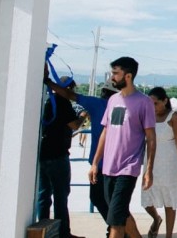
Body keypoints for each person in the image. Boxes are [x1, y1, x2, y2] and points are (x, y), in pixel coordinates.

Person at [45, 75, 142, 238]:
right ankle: (118, 230)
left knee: (104, 201)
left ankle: (122, 231)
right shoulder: (121, 107)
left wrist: (48, 82)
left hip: (103, 165)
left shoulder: (96, 104)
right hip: (116, 163)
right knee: (110, 202)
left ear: (104, 91)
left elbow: (69, 95)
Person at [89, 57, 157, 238]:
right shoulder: (112, 100)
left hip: (128, 168)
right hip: (108, 167)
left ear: (128, 76)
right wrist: (95, 163)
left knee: (116, 222)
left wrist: (148, 169)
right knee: (121, 214)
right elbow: (106, 132)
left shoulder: (144, 102)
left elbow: (151, 138)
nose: (112, 77)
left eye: (115, 73)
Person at [39, 74, 84, 238]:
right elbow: (74, 125)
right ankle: (63, 233)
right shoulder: (63, 102)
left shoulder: (48, 101)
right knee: (60, 196)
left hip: (44, 153)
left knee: (43, 195)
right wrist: (83, 116)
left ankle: (42, 230)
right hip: (58, 155)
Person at [142, 87, 177, 238]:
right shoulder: (147, 116)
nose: (152, 107)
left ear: (165, 101)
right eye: (150, 104)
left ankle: (169, 235)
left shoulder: (173, 117)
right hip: (150, 161)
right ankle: (156, 218)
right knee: (146, 199)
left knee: (169, 201)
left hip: (169, 162)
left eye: (155, 103)